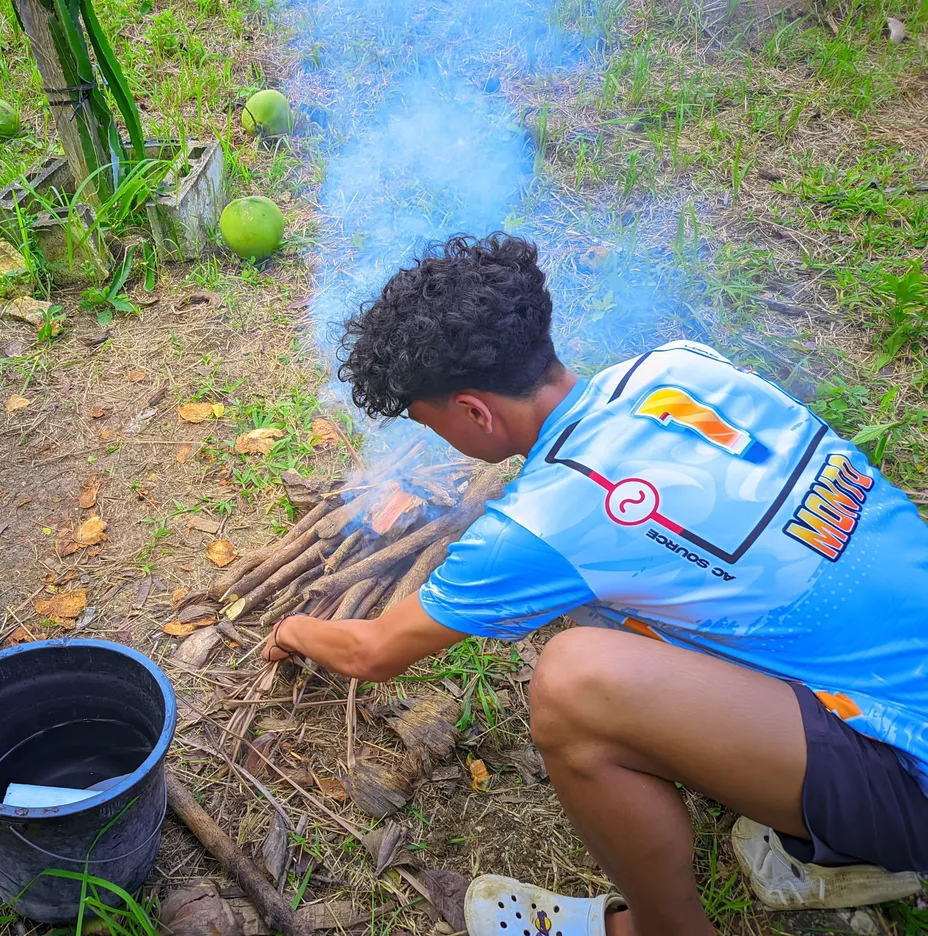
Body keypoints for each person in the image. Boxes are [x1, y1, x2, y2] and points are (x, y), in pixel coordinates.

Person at [263, 234, 928, 936]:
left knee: (577, 682)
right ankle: (821, 825)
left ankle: (663, 929)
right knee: (632, 615)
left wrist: (295, 630)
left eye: (434, 426)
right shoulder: (677, 367)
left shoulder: (545, 519)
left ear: (474, 412)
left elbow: (375, 653)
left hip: (910, 770)